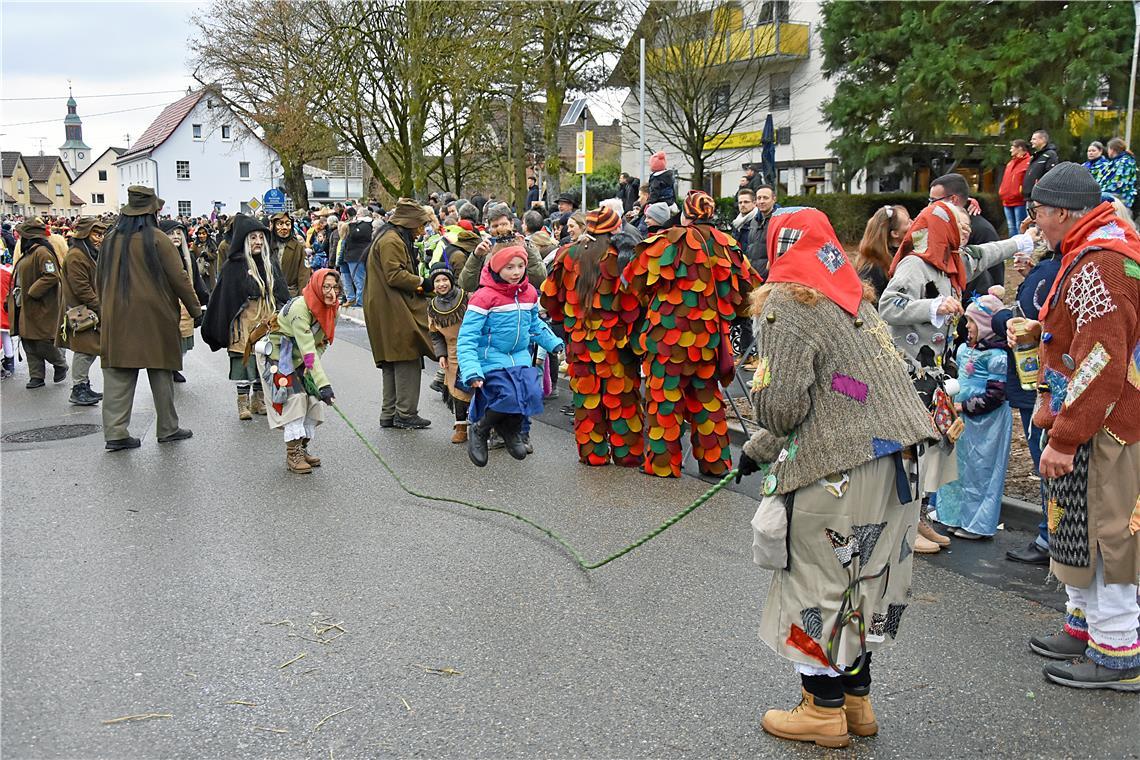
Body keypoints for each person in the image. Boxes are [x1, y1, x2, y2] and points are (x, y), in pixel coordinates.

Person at [741, 207, 937, 748]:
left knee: (820, 581)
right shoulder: (850, 295)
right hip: (896, 460)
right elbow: (843, 393)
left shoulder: (786, 303)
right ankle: (857, 701)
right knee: (865, 581)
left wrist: (764, 425)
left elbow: (783, 405)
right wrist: (761, 450)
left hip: (843, 469)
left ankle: (821, 710)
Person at [1022, 163, 1140, 691]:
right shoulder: (1097, 252)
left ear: (1064, 213)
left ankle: (1118, 651)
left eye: (1038, 212)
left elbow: (1098, 359)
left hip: (1106, 424)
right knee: (1079, 525)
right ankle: (1086, 626)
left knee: (1104, 534)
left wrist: (1066, 434)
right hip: (1101, 416)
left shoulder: (1100, 266)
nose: (1034, 222)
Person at [879, 200, 1035, 553]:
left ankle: (918, 518)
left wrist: (1022, 241)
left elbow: (987, 252)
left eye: (967, 227)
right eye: (960, 226)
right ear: (942, 228)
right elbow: (888, 306)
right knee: (909, 450)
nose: (967, 233)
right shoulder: (915, 265)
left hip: (936, 370)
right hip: (908, 370)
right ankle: (902, 526)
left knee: (929, 448)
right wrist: (932, 306)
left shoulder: (955, 261)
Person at [621, 190, 759, 478]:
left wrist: (652, 297)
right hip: (709, 339)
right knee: (707, 399)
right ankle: (716, 463)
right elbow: (752, 290)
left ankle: (662, 464)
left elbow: (630, 281)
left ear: (686, 215)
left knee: (665, 398)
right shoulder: (729, 245)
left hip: (667, 338)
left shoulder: (667, 241)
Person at [96, 186, 201, 450]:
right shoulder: (157, 238)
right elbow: (180, 279)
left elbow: (100, 279)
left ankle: (116, 432)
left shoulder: (110, 239)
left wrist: (103, 309)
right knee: (161, 369)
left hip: (116, 314)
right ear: (152, 211)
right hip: (155, 315)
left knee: (118, 372)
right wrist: (196, 309)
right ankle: (167, 427)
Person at [542, 205, 644, 467]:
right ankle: (627, 454)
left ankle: (593, 453)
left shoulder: (568, 255)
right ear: (615, 228)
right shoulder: (624, 257)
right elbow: (638, 300)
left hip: (580, 341)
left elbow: (551, 300)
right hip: (618, 342)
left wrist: (570, 318)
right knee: (622, 398)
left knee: (587, 398)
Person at [457, 245, 564, 466]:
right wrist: (471, 370)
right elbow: (467, 337)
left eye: (520, 266)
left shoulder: (529, 293)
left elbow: (535, 324)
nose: (516, 272)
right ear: (497, 269)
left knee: (532, 394)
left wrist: (553, 343)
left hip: (520, 356)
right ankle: (481, 429)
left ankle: (511, 430)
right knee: (508, 396)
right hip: (491, 358)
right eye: (509, 267)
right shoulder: (483, 297)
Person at [997, 234, 1062, 566]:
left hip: (1037, 384)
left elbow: (1026, 320)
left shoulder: (1054, 269)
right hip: (1041, 383)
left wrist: (1000, 316)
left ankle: (1050, 537)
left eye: (1039, 213)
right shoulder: (1058, 268)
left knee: (1047, 462)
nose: (1035, 225)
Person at [934, 286, 1012, 540]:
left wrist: (964, 406)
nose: (967, 327)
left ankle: (977, 523)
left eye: (972, 322)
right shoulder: (967, 348)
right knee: (959, 469)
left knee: (981, 470)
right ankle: (953, 515)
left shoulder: (998, 356)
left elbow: (996, 395)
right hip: (964, 421)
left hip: (986, 423)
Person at [202, 214, 289, 420]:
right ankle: (243, 401)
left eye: (261, 237)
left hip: (267, 321)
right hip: (243, 323)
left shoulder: (270, 264)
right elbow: (224, 299)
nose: (258, 242)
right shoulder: (233, 266)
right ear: (244, 240)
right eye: (253, 238)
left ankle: (258, 399)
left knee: (264, 361)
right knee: (244, 362)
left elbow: (281, 292)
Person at [253, 268, 340, 474]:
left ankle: (302, 447)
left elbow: (321, 344)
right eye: (326, 287)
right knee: (294, 399)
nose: (331, 293)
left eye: (335, 287)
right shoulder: (301, 309)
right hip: (277, 355)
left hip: (301, 357)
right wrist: (324, 384)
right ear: (317, 286)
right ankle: (293, 454)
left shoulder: (332, 309)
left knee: (313, 399)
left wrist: (313, 373)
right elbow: (307, 348)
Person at [363, 198, 436, 429]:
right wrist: (424, 282)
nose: (422, 231)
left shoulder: (388, 237)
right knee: (407, 356)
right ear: (409, 223)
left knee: (392, 360)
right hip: (393, 307)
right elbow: (395, 275)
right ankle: (405, 413)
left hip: (384, 306)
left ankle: (389, 412)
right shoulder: (392, 240)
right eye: (420, 225)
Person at [8, 218, 68, 389]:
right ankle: (36, 376)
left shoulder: (42, 252)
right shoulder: (29, 252)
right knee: (27, 340)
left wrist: (32, 292)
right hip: (25, 304)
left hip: (40, 304)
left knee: (41, 340)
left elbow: (51, 275)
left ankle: (60, 363)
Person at [56, 217, 108, 405]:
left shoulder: (85, 253)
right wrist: (100, 306)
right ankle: (78, 389)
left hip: (85, 308)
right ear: (85, 234)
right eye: (96, 234)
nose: (99, 238)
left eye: (101, 235)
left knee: (89, 349)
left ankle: (82, 385)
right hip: (81, 310)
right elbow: (82, 289)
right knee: (85, 349)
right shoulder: (77, 256)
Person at [159, 220, 211, 383]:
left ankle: (174, 366)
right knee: (166, 338)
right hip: (164, 304)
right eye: (171, 233)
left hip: (184, 305)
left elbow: (196, 282)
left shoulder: (187, 258)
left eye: (178, 234)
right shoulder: (157, 257)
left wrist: (204, 302)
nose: (176, 237)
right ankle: (166, 367)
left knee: (181, 339)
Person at [426, 263, 472, 443]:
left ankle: (483, 427)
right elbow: (435, 334)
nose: (441, 284)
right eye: (437, 281)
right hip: (452, 351)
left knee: (477, 388)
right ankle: (461, 427)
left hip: (472, 347)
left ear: (451, 281)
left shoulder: (466, 298)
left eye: (445, 279)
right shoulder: (432, 306)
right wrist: (441, 355)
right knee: (456, 391)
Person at [458, 203, 547, 292]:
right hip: (492, 300)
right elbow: (466, 285)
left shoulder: (526, 245)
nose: (499, 229)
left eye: (504, 224)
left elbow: (540, 280)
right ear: (489, 228)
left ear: (512, 223)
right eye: (495, 226)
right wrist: (475, 257)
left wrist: (527, 249)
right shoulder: (484, 249)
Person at [855, 204, 910, 301]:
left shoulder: (899, 255)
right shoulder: (873, 270)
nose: (913, 223)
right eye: (907, 222)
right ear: (895, 234)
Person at [270, 212, 310, 298]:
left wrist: (302, 297)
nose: (284, 228)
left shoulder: (298, 247)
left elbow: (304, 275)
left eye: (287, 224)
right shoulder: (267, 245)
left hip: (291, 294)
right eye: (280, 224)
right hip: (270, 294)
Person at [1000, 139, 1032, 234]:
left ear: (1020, 148)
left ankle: (1021, 247)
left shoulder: (1028, 162)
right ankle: (1013, 248)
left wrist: (1021, 192)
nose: (1010, 150)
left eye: (1012, 147)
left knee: (1020, 226)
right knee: (1011, 227)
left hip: (1019, 200)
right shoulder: (1010, 163)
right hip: (1007, 200)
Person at [1022, 129, 1059, 203]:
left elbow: (1050, 175)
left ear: (1042, 140)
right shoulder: (1035, 156)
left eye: (1034, 139)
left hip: (1039, 197)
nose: (1031, 141)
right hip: (1029, 196)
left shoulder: (1050, 155)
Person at [1101, 137, 1137, 208]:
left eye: (1108, 149)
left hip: (1120, 200)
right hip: (1114, 197)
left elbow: (1117, 184)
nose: (1107, 151)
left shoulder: (1125, 162)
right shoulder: (1116, 161)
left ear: (1113, 149)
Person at [191, 225, 221, 290]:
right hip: (199, 270)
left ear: (207, 234)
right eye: (199, 234)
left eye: (203, 234)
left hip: (210, 269)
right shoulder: (195, 244)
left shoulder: (211, 243)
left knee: (211, 288)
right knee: (202, 288)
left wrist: (207, 255)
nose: (201, 236)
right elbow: (192, 256)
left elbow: (216, 255)